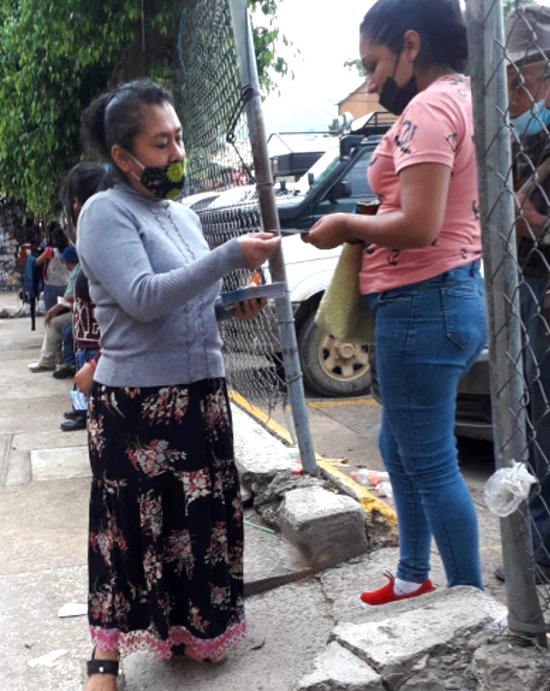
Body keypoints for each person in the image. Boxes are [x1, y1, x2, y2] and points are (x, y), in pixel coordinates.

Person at [77, 79, 280, 689]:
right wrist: (228, 257)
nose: (176, 154)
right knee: (128, 530)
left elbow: (190, 303)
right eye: (160, 143)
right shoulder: (104, 213)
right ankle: (105, 656)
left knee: (194, 525)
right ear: (123, 156)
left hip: (200, 394)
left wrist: (231, 305)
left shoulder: (184, 217)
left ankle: (188, 631)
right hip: (139, 405)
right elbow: (142, 299)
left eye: (179, 138)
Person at [304, 0, 486, 605]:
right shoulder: (467, 97)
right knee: (398, 444)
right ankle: (413, 574)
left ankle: (467, 605)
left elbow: (419, 225)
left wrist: (346, 225)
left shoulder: (430, 108)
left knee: (430, 461)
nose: (372, 81)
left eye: (373, 63)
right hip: (446, 295)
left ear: (411, 44)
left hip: (421, 302)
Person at [492, 3, 550, 583]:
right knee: (532, 415)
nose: (510, 94)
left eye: (517, 79)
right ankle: (535, 546)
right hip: (526, 287)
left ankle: (540, 550)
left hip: (541, 288)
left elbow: (530, 221)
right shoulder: (520, 138)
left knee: (541, 417)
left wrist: (529, 224)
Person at [28, 245, 79, 373]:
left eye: (66, 263)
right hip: (79, 309)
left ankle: (49, 360)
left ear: (70, 263)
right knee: (59, 325)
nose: (65, 266)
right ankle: (58, 360)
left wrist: (51, 311)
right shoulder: (79, 271)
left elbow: (68, 298)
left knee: (53, 323)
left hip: (80, 312)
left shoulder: (76, 273)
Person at [34, 223, 70, 311]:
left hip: (51, 287)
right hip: (66, 286)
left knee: (51, 313)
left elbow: (36, 263)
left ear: (53, 240)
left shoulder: (50, 251)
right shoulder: (69, 251)